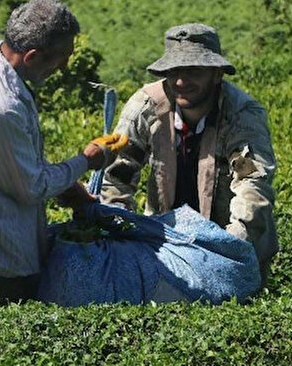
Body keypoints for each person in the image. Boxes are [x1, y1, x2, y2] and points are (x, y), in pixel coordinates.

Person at [0, 0, 124, 311]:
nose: (65, 67)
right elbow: (30, 188)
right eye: (62, 58)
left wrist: (66, 186)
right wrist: (85, 161)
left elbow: (11, 162)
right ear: (31, 57)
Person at [101, 23, 278, 288]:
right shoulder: (145, 107)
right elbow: (117, 177)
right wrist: (119, 235)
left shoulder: (241, 115)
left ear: (217, 74)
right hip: (165, 242)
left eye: (193, 71)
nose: (181, 82)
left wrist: (230, 246)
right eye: (174, 72)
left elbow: (252, 186)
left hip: (231, 243)